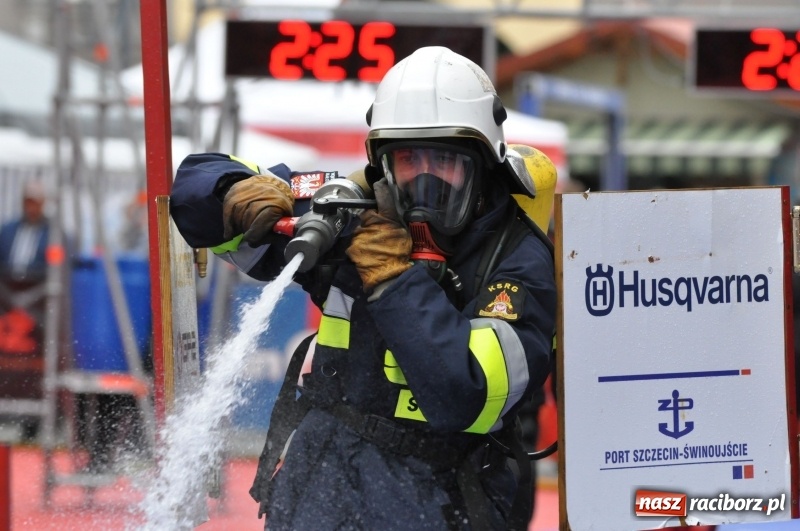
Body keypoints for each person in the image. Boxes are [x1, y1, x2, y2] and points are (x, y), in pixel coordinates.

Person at [170, 46, 557, 530]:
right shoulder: (352, 216)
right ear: (382, 166)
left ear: (484, 163)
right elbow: (192, 194)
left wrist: (393, 278)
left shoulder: (518, 258)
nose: (425, 180)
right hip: (321, 487)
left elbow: (467, 396)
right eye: (408, 159)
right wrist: (232, 193)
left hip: (440, 500)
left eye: (445, 161)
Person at [0, 180, 51, 439]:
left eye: (36, 202)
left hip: (39, 310)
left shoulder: (54, 233)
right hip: (6, 307)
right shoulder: (7, 230)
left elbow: (58, 270)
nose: (32, 208)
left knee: (34, 363)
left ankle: (33, 422)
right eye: (28, 202)